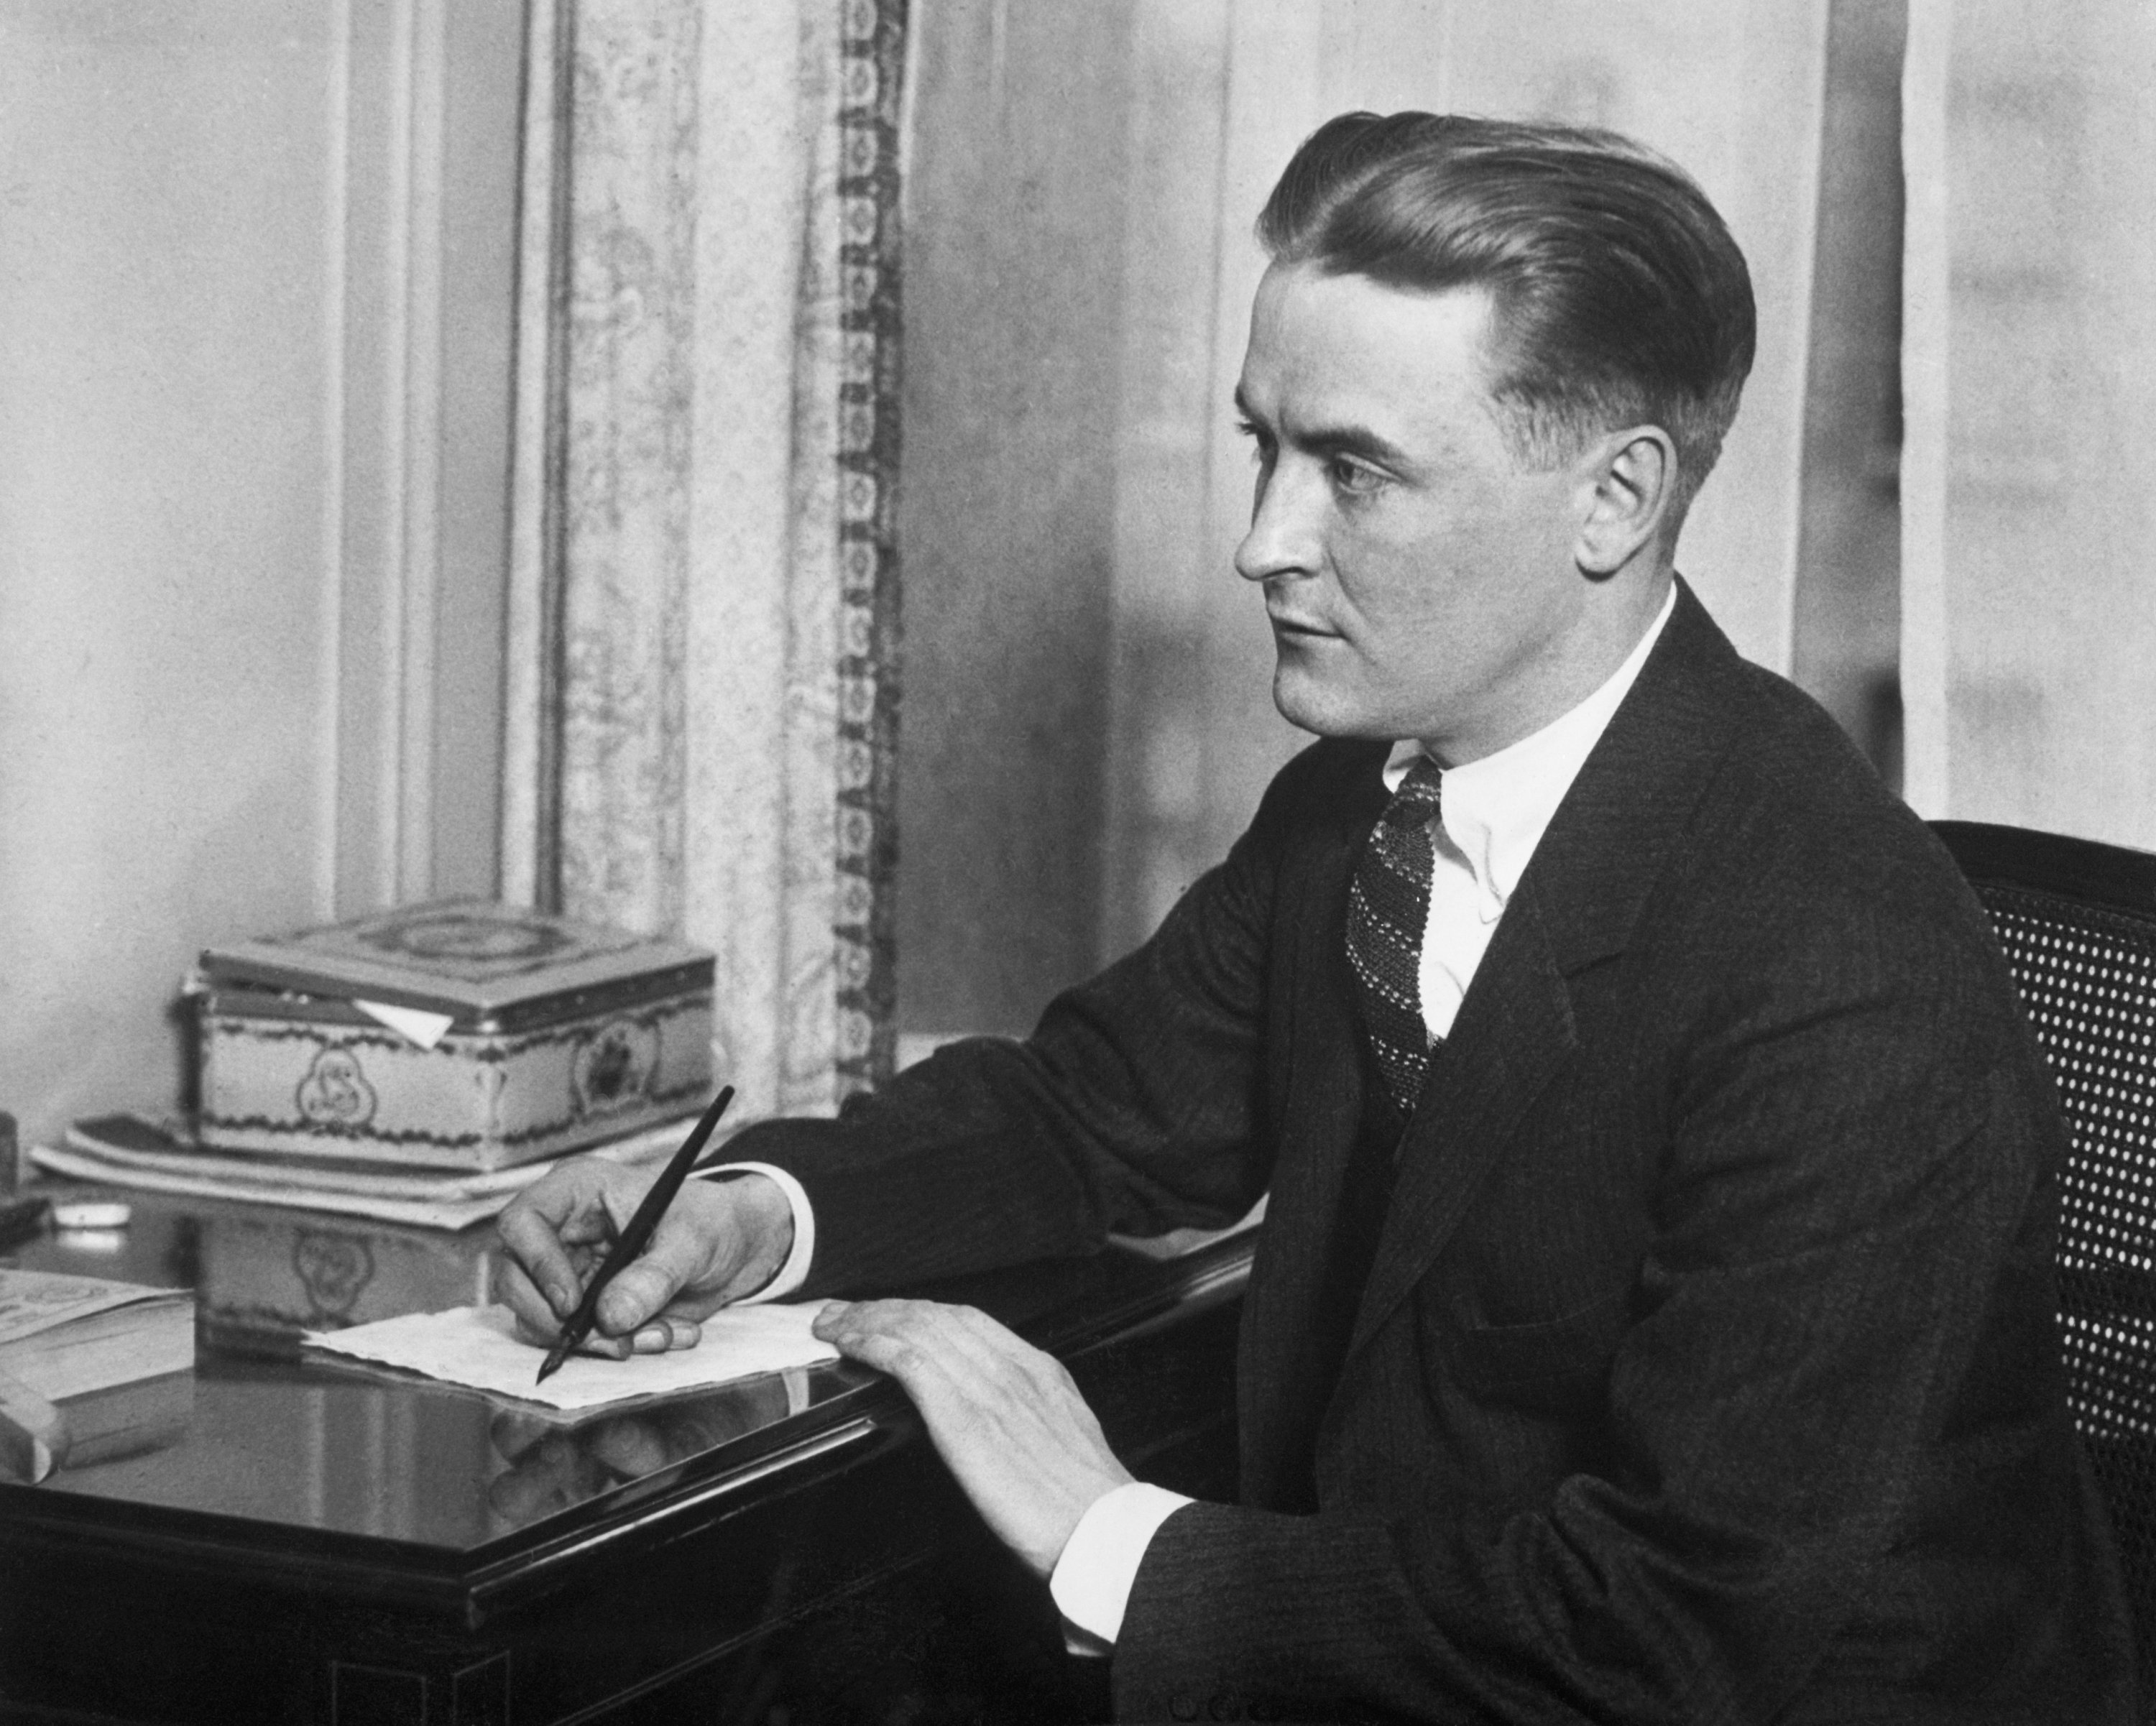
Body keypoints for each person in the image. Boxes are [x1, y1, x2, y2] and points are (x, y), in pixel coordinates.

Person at [499, 112, 2136, 1722]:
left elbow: (1672, 1634)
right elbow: (1093, 1117)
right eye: (1262, 446)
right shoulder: (1367, 804)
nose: (1262, 542)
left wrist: (1108, 1534)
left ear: (1615, 501)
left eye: (1353, 469)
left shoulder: (1844, 970)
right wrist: (750, 1212)